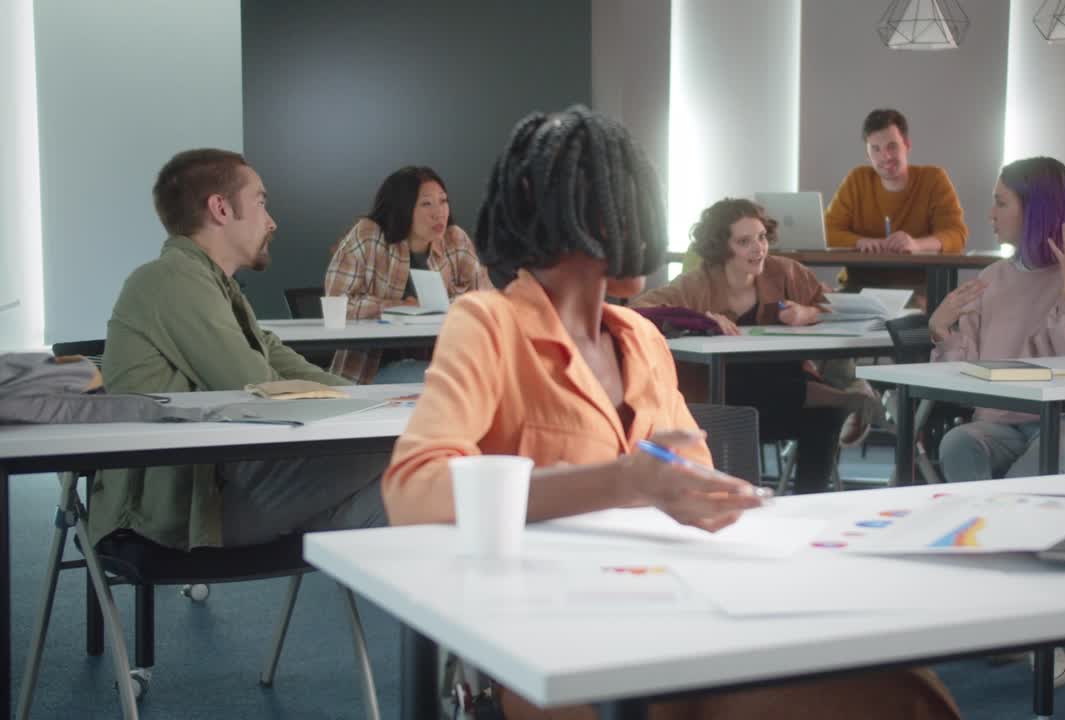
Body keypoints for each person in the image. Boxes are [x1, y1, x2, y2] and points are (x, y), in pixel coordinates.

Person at [382, 106, 960, 720]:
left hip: (676, 609)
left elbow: (695, 485)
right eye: (631, 202)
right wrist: (623, 481)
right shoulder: (489, 324)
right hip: (558, 639)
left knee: (897, 687)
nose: (648, 226)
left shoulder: (640, 337)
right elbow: (412, 490)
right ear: (577, 213)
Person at [93, 149, 388, 551]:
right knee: (410, 449)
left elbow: (280, 358)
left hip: (228, 481)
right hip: (188, 509)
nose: (272, 222)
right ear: (221, 208)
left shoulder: (217, 285)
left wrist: (373, 401)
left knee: (402, 495)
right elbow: (256, 385)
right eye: (261, 202)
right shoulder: (171, 279)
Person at [932, 157, 1065, 686]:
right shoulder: (992, 278)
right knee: (957, 444)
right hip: (1001, 424)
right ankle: (1007, 604)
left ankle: (1038, 626)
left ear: (1034, 209)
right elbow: (962, 374)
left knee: (1050, 463)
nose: (989, 214)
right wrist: (942, 329)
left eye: (1000, 202)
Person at [630, 198, 883, 494]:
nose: (758, 248)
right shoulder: (697, 283)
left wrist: (808, 313)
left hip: (780, 395)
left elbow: (837, 306)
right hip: (725, 399)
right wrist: (699, 319)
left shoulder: (785, 272)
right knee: (750, 386)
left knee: (825, 417)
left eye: (762, 237)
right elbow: (639, 308)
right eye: (744, 241)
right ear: (722, 247)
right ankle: (844, 397)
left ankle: (808, 500)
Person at [325, 166, 492, 384]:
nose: (439, 212)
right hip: (371, 371)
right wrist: (398, 306)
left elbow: (486, 301)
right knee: (461, 382)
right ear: (402, 208)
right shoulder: (368, 235)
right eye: (426, 204)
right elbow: (337, 303)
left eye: (443, 201)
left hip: (443, 361)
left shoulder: (455, 240)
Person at [824, 108, 968, 294]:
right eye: (875, 149)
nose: (885, 156)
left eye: (891, 146)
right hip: (857, 288)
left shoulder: (934, 179)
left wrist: (916, 245)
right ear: (867, 154)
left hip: (918, 291)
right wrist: (859, 242)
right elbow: (827, 231)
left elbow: (956, 234)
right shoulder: (856, 180)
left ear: (907, 145)